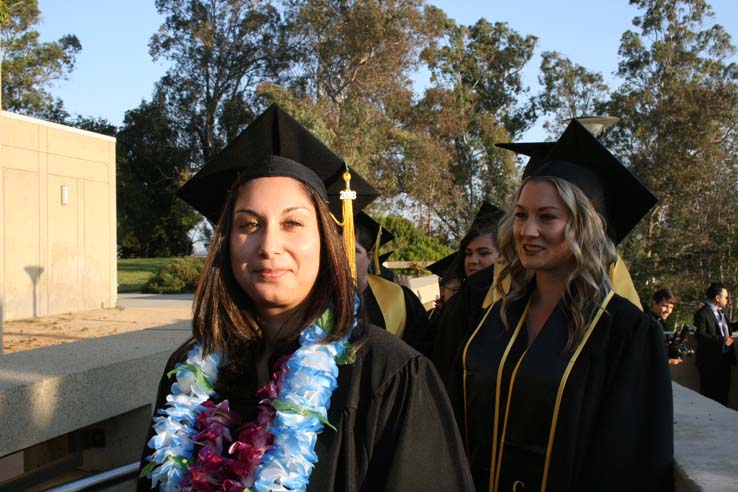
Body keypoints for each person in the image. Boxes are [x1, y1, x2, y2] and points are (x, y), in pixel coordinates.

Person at [137, 104, 474, 491]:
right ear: (226, 242)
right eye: (249, 224)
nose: (269, 245)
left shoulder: (388, 375)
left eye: (292, 223)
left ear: (326, 242)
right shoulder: (187, 372)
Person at [454, 119, 673, 491]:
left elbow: (630, 464)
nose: (527, 231)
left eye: (548, 217)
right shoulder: (495, 316)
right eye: (521, 214)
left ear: (590, 225)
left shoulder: (625, 332)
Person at [353, 212, 432, 355]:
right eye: (337, 251)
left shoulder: (399, 297)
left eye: (354, 252)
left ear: (370, 257)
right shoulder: (315, 297)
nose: (344, 258)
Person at [694, 282, 737, 406]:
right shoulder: (702, 313)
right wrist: (721, 340)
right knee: (710, 399)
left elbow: (728, 328)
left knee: (723, 397)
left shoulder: (721, 313)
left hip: (724, 361)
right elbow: (700, 335)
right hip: (710, 363)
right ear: (718, 298)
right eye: (726, 297)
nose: (728, 301)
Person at [648, 288, 684, 366]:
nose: (668, 311)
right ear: (654, 303)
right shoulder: (649, 322)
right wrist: (668, 361)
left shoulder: (653, 320)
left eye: (671, 307)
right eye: (665, 306)